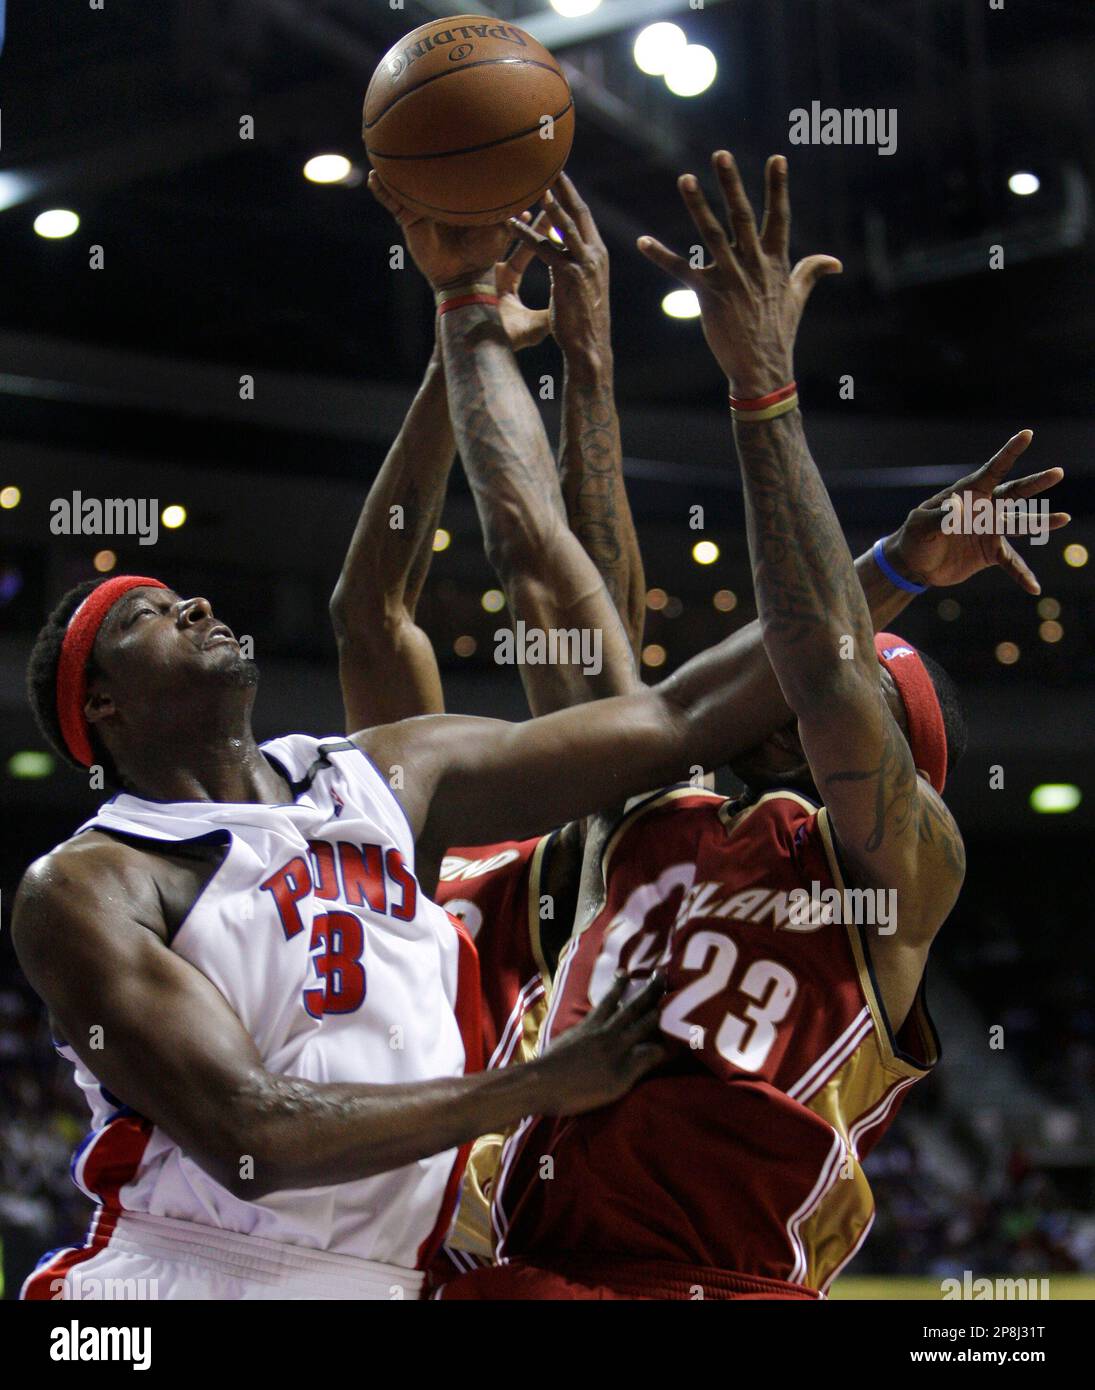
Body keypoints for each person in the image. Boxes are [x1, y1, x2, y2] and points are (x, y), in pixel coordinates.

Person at [14, 164, 913, 1299]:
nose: (191, 602)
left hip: (413, 1275)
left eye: (180, 593)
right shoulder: (91, 879)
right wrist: (543, 1083)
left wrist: (895, 570)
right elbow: (253, 1136)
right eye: (147, 615)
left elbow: (676, 704)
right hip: (187, 1271)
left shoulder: (383, 776)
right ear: (104, 711)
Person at [433, 152, 1069, 1300]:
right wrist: (573, 355)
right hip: (516, 1275)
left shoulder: (898, 878)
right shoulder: (650, 810)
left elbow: (822, 666)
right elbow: (557, 577)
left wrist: (764, 383)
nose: (766, 686)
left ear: (896, 756)